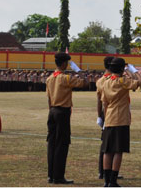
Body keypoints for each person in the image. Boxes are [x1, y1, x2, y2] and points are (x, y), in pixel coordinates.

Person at [99, 57, 141, 187]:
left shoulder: (106, 82)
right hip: (121, 119)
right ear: (121, 68)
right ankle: (113, 181)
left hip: (109, 118)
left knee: (107, 151)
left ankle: (106, 181)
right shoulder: (123, 81)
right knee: (118, 151)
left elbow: (105, 103)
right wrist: (134, 70)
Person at [46, 52, 88, 184]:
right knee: (62, 144)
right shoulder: (66, 78)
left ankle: (51, 175)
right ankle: (58, 176)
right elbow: (85, 83)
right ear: (64, 64)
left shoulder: (50, 78)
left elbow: (48, 98)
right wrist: (79, 71)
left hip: (52, 111)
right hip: (62, 112)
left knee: (52, 143)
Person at [96, 56, 115, 181]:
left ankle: (104, 171)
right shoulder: (109, 80)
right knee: (110, 144)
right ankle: (107, 171)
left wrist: (99, 115)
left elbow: (98, 100)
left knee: (106, 142)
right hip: (111, 112)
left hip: (104, 112)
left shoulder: (100, 80)